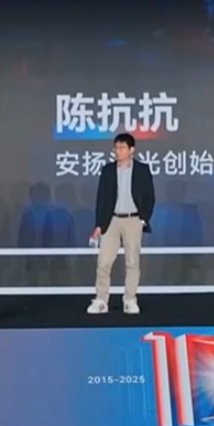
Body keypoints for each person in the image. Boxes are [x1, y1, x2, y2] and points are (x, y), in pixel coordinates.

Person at [88, 133, 156, 315]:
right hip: (111, 220)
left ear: (131, 150)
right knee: (104, 262)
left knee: (132, 262)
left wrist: (143, 220)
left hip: (133, 220)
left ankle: (130, 299)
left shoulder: (142, 170)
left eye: (122, 148)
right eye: (116, 147)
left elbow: (149, 197)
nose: (118, 151)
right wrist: (99, 225)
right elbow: (102, 199)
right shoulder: (108, 170)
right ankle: (101, 300)